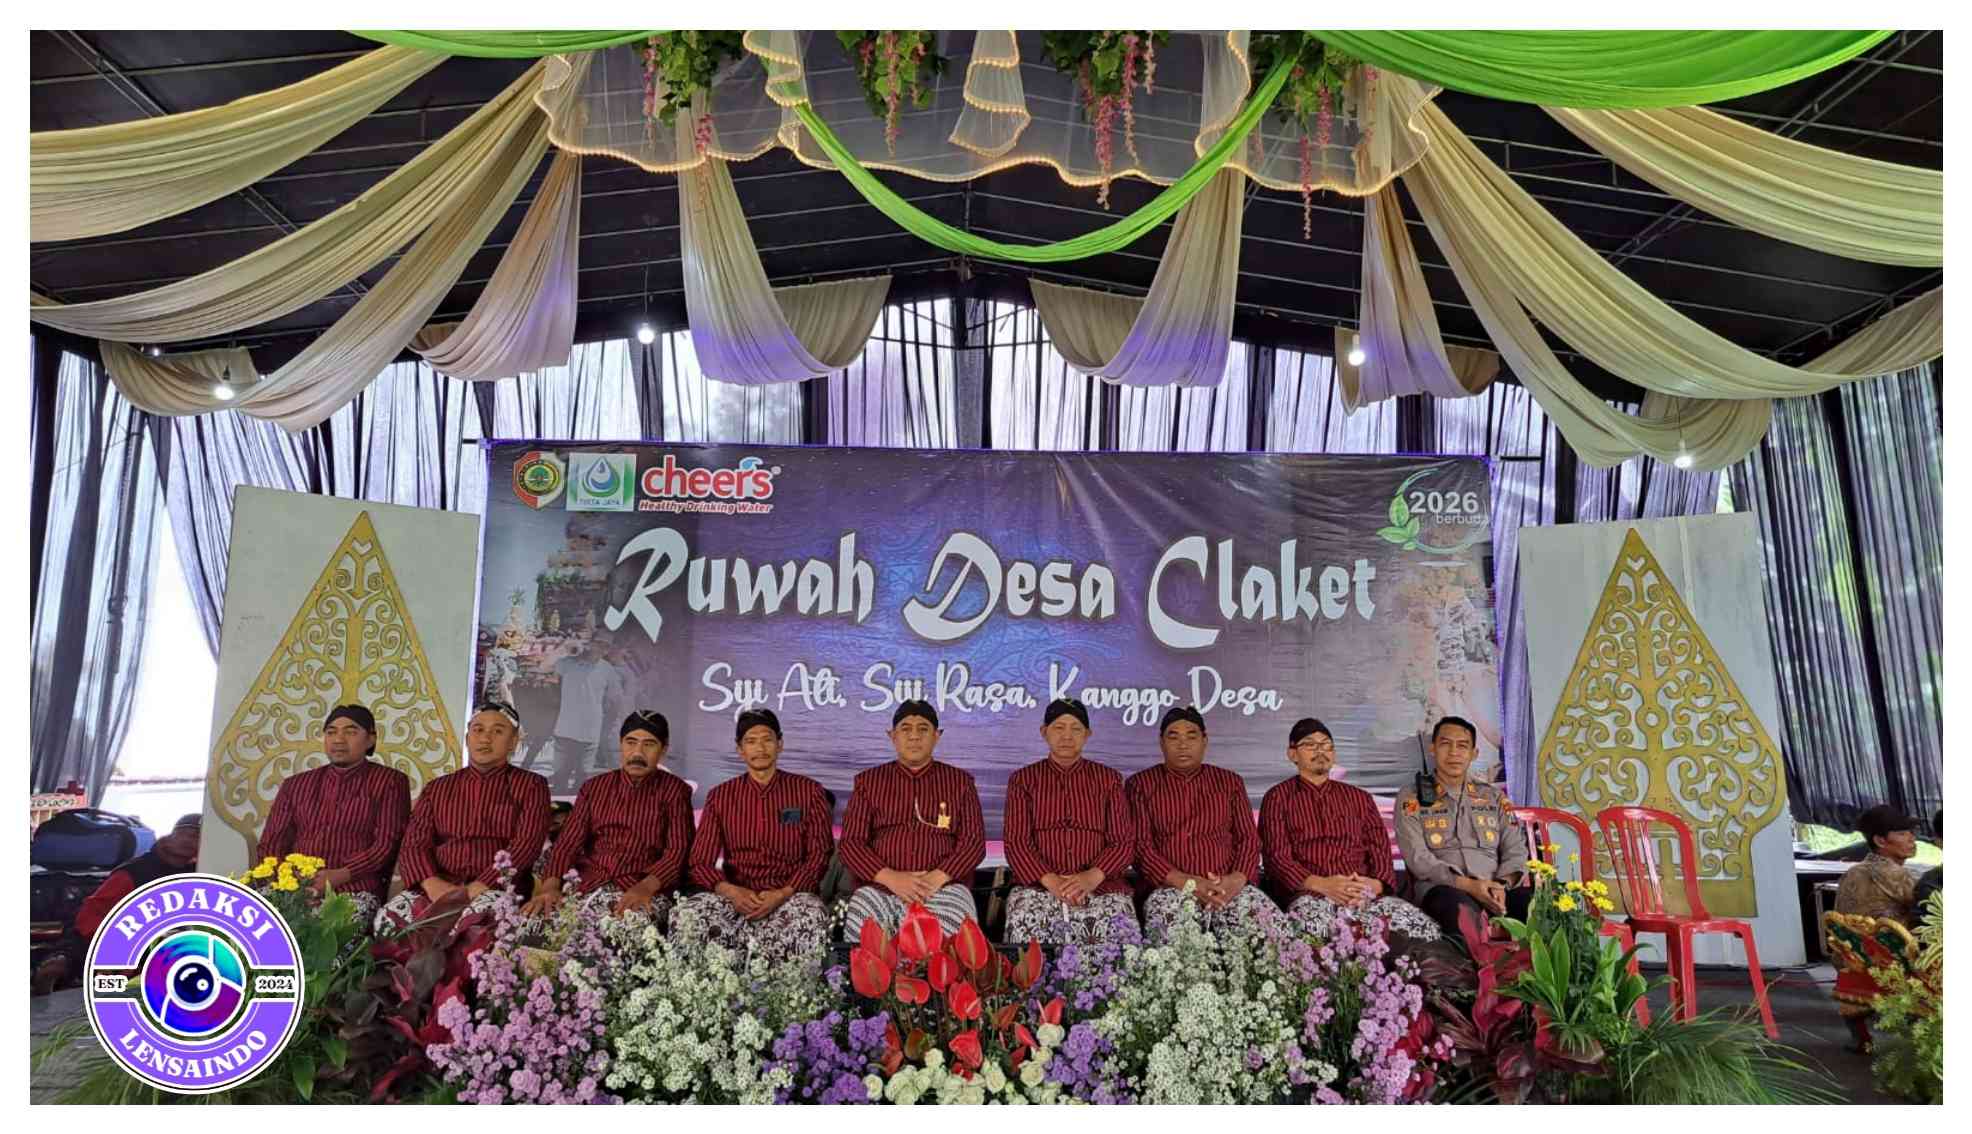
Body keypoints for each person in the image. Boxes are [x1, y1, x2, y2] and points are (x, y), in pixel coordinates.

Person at [378, 700, 552, 932]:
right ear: (468, 738)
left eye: (497, 731)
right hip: (438, 886)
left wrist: (481, 885)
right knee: (387, 922)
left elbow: (526, 845)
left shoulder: (532, 786)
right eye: (478, 730)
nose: (485, 738)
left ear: (513, 742)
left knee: (477, 924)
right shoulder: (437, 788)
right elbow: (414, 844)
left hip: (496, 889)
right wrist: (432, 884)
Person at [1261, 718, 1440, 942]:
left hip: (1362, 894)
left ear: (1334, 754)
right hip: (1311, 895)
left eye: (1326, 745)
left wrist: (1374, 885)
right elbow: (1276, 858)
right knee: (1315, 935)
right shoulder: (1277, 797)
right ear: (1292, 754)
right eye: (1310, 745)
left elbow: (1380, 850)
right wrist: (1324, 885)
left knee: (1422, 929)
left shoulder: (1359, 798)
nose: (1320, 751)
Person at [672, 708, 833, 951]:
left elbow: (819, 854)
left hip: (791, 896)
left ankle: (788, 980)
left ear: (780, 744)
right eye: (751, 741)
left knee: (811, 914)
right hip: (736, 896)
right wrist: (730, 891)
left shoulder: (809, 792)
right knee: (688, 915)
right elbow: (700, 862)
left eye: (767, 739)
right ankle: (707, 979)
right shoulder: (721, 796)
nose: (760, 748)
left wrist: (783, 893)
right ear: (740, 749)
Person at [524, 711, 694, 926]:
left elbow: (677, 853)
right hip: (590, 884)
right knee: (537, 925)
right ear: (621, 744)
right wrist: (550, 888)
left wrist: (645, 887)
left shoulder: (676, 791)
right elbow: (567, 844)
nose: (638, 752)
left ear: (663, 750)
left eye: (649, 744)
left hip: (643, 889)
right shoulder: (594, 788)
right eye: (630, 742)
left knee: (625, 931)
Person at [837, 700, 985, 941]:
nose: (914, 736)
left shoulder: (960, 782)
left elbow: (973, 843)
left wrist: (936, 878)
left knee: (952, 927)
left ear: (937, 736)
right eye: (905, 728)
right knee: (864, 919)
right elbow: (851, 844)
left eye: (923, 729)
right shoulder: (868, 782)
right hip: (881, 889)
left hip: (943, 889)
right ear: (892, 736)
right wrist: (892, 878)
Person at [1126, 706, 1278, 940]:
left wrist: (1236, 880)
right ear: (1161, 742)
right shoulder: (1140, 785)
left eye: (1191, 736)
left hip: (1227, 888)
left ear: (1204, 741)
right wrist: (1188, 883)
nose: (1183, 745)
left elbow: (1248, 839)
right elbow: (1140, 848)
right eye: (1174, 737)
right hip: (1169, 891)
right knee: (1168, 933)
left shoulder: (1229, 782)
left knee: (1273, 935)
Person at [256, 704, 412, 926]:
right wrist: (291, 886)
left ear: (370, 739)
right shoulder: (296, 785)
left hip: (354, 889)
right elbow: (271, 844)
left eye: (351, 731)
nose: (339, 739)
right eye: (331, 732)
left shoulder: (390, 782)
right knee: (249, 925)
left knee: (334, 930)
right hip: (293, 887)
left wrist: (341, 875)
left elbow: (386, 846)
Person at [1001, 698, 1138, 944]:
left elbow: (1122, 842)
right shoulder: (1023, 780)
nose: (1067, 736)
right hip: (1040, 886)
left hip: (1100, 885)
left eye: (1075, 728)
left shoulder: (1108, 779)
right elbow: (1017, 843)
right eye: (1058, 727)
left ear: (1087, 734)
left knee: (1120, 933)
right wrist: (1052, 881)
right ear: (1044, 732)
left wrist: (1090, 877)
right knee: (1025, 924)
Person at [37, 814, 207, 994]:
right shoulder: (135, 872)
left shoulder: (200, 871)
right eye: (186, 834)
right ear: (172, 836)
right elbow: (91, 916)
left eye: (196, 836)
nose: (189, 840)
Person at [1395, 715, 1531, 936]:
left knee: (1542, 906)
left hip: (1496, 888)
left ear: (1474, 753)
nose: (1454, 753)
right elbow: (1417, 857)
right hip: (1445, 889)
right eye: (1445, 744)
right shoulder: (1412, 797)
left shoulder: (1493, 796)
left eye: (1462, 746)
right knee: (1457, 911)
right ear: (1432, 749)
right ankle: (1476, 959)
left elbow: (1516, 848)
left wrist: (1500, 885)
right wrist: (1469, 886)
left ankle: (1529, 961)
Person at [547, 636, 629, 794]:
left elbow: (617, 698)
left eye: (606, 646)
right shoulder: (569, 662)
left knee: (582, 783)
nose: (603, 648)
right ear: (590, 644)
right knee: (559, 782)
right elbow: (545, 666)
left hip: (590, 732)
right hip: (565, 729)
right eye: (599, 643)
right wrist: (563, 649)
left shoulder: (607, 669)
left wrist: (611, 723)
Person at [1834, 803, 1922, 926]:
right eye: (1901, 834)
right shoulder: (1895, 874)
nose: (1912, 838)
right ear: (1880, 841)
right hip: (1894, 938)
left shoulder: (1851, 873)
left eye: (1911, 832)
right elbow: (1933, 905)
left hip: (1854, 938)